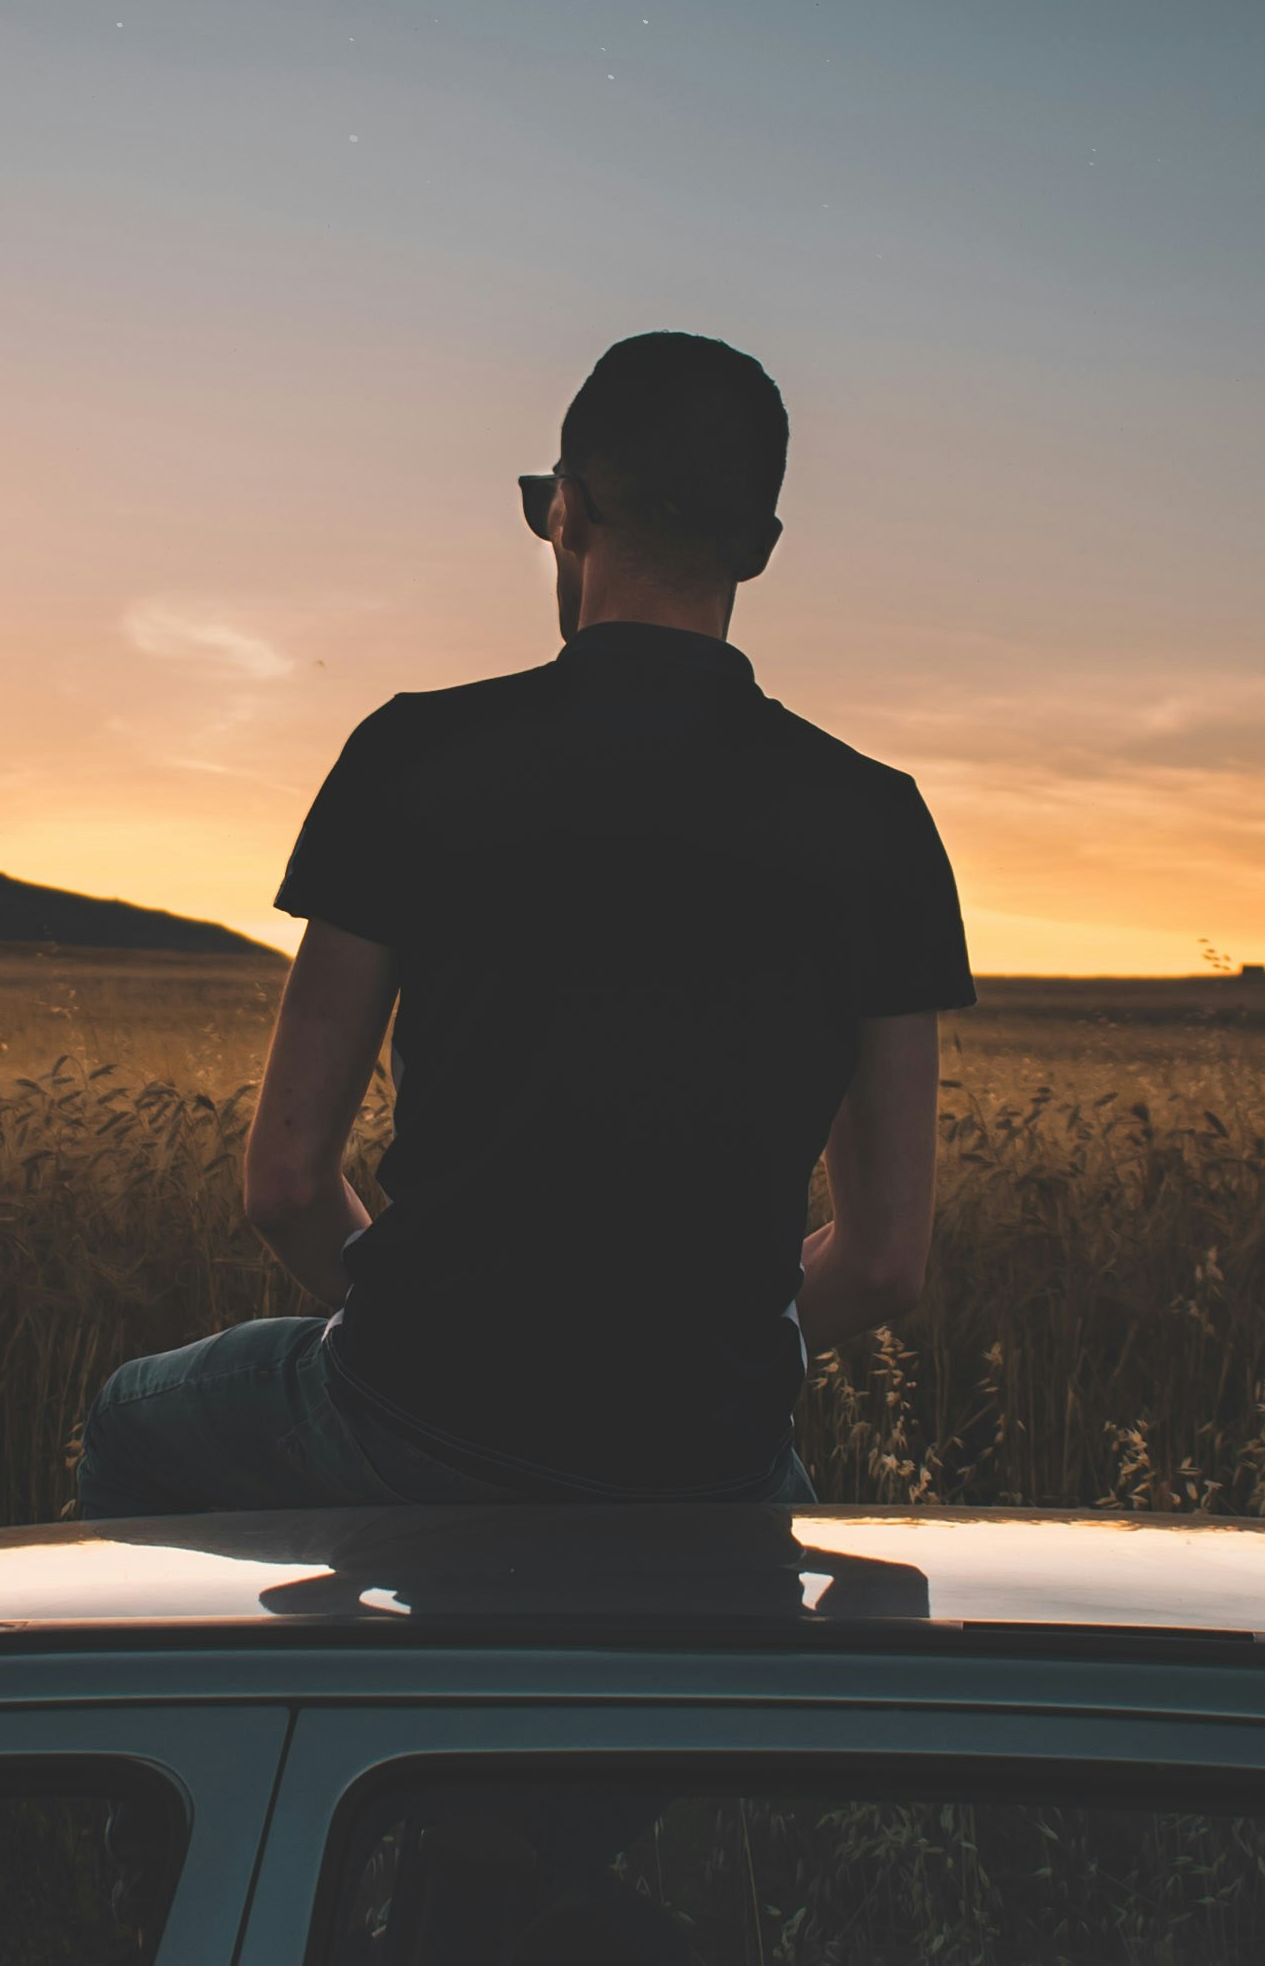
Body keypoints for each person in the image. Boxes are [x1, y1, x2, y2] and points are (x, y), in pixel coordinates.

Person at [73, 331, 970, 1511]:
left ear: (566, 512)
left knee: (132, 1420)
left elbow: (286, 1184)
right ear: (758, 547)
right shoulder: (879, 821)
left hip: (413, 1415)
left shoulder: (411, 755)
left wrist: (457, 1342)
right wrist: (673, 1366)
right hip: (708, 1454)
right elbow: (884, 1261)